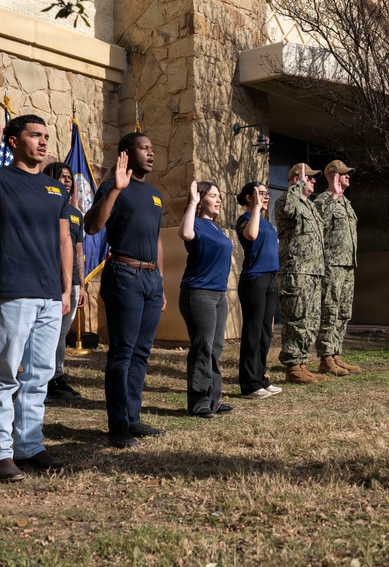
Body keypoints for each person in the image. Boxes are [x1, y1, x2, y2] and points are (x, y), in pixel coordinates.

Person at [0, 112, 72, 481]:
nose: (43, 142)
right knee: (5, 372)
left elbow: (64, 239)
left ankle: (30, 446)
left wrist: (67, 287)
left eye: (45, 135)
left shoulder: (56, 189)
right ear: (13, 142)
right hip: (13, 290)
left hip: (50, 293)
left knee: (40, 374)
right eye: (34, 135)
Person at [85, 133, 166, 448]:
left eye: (152, 148)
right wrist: (115, 188)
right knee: (123, 352)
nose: (151, 153)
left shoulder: (156, 195)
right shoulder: (113, 187)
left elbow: (156, 239)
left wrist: (160, 280)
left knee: (141, 353)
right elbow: (92, 226)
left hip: (150, 280)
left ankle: (133, 418)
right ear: (125, 154)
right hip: (125, 274)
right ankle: (118, 426)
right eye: (144, 148)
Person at [178, 180, 233, 418]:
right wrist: (192, 202)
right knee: (203, 346)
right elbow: (185, 233)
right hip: (198, 293)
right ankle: (199, 402)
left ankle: (213, 399)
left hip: (219, 294)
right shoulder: (196, 223)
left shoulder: (216, 227)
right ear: (201, 200)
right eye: (213, 195)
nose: (219, 199)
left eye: (219, 195)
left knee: (215, 347)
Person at [276, 163, 326, 384]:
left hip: (313, 272)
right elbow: (287, 208)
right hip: (296, 271)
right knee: (296, 319)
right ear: (297, 180)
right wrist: (296, 187)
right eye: (310, 178)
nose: (314, 181)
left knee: (311, 320)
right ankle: (293, 367)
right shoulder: (286, 201)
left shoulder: (311, 207)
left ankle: (302, 363)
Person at [43, 161, 86, 402]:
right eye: (62, 176)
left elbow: (79, 251)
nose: (67, 181)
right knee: (46, 331)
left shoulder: (76, 214)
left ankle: (56, 377)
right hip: (50, 278)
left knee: (61, 333)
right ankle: (41, 379)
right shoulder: (45, 205)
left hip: (72, 282)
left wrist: (82, 284)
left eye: (69, 177)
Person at [313, 160, 362, 374]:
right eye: (344, 174)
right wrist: (333, 194)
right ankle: (325, 358)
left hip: (347, 265)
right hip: (331, 265)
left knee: (343, 312)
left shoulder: (346, 203)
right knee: (329, 310)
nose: (348, 176)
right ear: (333, 176)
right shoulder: (323, 200)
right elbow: (318, 224)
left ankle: (335, 353)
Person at [235, 182, 282, 400]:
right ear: (248, 197)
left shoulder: (266, 222)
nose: (265, 197)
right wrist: (255, 208)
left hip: (271, 279)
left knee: (265, 332)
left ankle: (261, 377)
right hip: (254, 280)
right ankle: (249, 384)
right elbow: (251, 236)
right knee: (253, 332)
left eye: (266, 193)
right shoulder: (246, 219)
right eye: (260, 193)